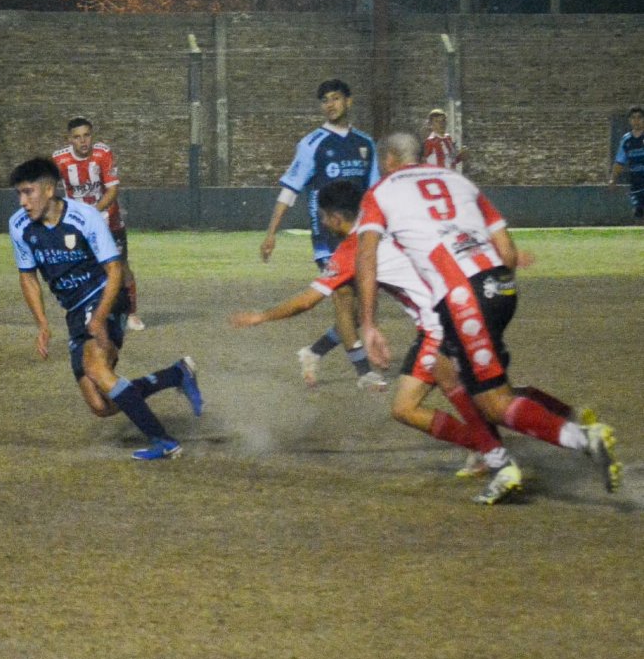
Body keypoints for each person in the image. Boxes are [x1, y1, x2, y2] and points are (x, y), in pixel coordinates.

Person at [356, 133, 622, 504]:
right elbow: (508, 253)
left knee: (494, 402)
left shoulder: (379, 193)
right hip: (500, 287)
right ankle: (500, 463)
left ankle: (582, 438)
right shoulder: (459, 180)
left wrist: (369, 324)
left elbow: (366, 256)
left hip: (463, 296)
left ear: (387, 160)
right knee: (444, 368)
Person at [234, 180, 509, 476]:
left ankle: (487, 447)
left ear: (336, 218)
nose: (322, 223)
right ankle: (489, 444)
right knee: (474, 391)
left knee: (408, 408)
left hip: (440, 323)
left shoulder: (353, 249)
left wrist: (261, 317)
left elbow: (307, 301)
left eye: (323, 217)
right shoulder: (386, 224)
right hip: (467, 302)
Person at [7, 157, 202, 460]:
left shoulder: (85, 217)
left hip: (106, 296)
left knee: (95, 367)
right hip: (75, 312)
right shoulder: (19, 226)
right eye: (19, 193)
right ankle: (175, 375)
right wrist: (42, 323)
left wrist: (99, 318)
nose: (23, 201)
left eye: (28, 192)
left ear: (49, 190)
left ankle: (164, 441)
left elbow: (115, 271)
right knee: (101, 405)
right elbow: (27, 276)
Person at [259, 79, 384, 391]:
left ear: (348, 101)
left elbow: (375, 193)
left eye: (336, 98)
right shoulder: (312, 143)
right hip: (328, 236)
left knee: (360, 313)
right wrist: (271, 233)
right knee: (343, 296)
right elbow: (290, 190)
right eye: (325, 100)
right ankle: (364, 372)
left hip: (361, 237)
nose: (330, 104)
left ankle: (313, 352)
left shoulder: (366, 144)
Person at [53, 117, 145, 331]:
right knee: (79, 269)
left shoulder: (103, 153)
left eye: (87, 135)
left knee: (120, 266)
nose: (83, 141)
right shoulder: (59, 159)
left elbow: (112, 190)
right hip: (78, 226)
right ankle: (86, 312)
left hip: (109, 220)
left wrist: (91, 214)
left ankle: (131, 313)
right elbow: (49, 188)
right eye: (77, 137)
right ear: (69, 139)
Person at [608, 105, 644, 220]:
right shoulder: (626, 139)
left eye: (639, 117)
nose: (636, 121)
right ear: (629, 121)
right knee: (639, 212)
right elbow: (620, 161)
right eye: (633, 118)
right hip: (636, 180)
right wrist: (613, 179)